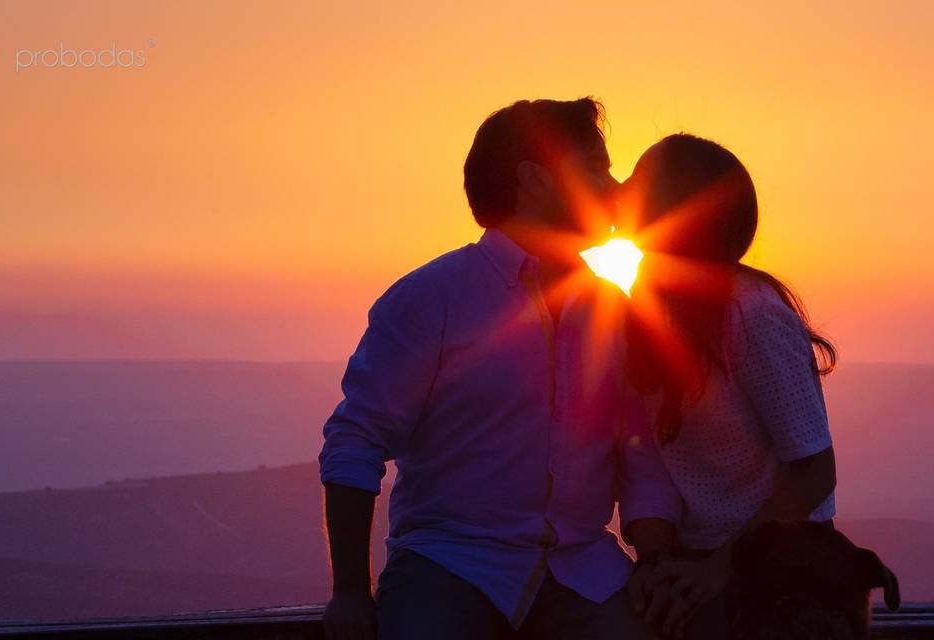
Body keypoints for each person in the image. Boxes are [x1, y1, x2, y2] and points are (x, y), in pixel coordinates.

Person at [318, 98, 683, 640]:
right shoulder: (430, 299)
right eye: (595, 168)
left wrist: (655, 562)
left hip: (584, 571)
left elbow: (641, 453)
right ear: (535, 180)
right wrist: (350, 591)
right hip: (448, 568)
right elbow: (355, 439)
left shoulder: (615, 309)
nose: (615, 187)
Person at [614, 133, 838, 639]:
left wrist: (718, 570)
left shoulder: (753, 315)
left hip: (785, 562)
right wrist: (653, 560)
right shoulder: (646, 311)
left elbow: (814, 471)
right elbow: (647, 455)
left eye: (638, 179)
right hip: (697, 559)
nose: (620, 189)